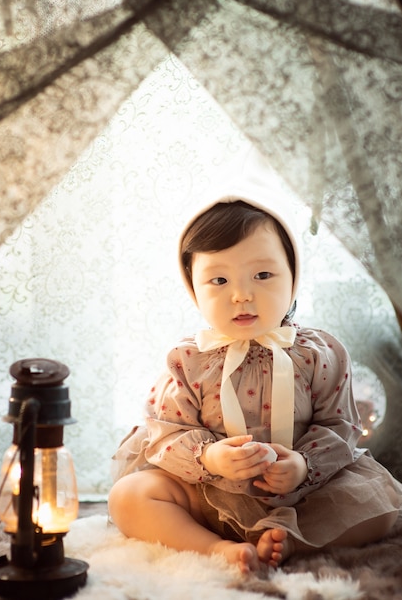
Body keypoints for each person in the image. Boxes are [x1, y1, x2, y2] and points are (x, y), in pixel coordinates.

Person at [109, 178, 401, 575]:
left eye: (262, 275)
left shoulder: (320, 353)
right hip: (209, 493)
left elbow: (341, 425)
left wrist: (302, 465)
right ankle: (216, 547)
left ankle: (288, 540)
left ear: (292, 277)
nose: (241, 294)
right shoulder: (188, 359)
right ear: (193, 288)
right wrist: (210, 457)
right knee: (130, 497)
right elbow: (166, 431)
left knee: (379, 506)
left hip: (306, 496)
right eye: (219, 280)